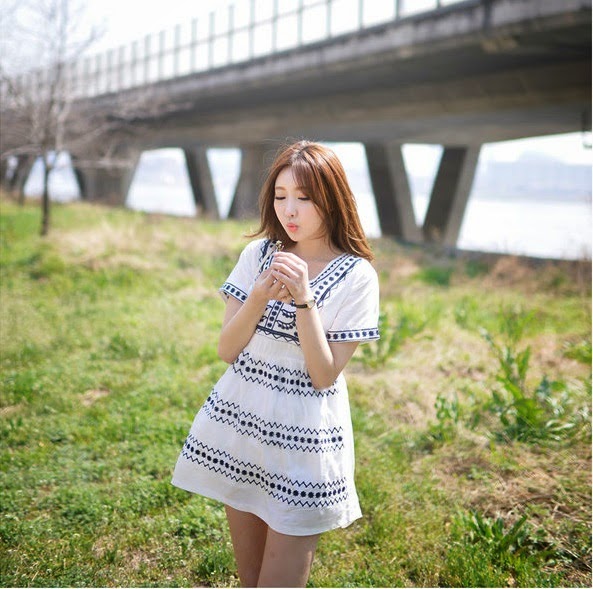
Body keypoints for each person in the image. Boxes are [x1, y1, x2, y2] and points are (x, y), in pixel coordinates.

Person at [172, 140, 380, 587]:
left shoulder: (357, 275)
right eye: (281, 196)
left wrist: (305, 299)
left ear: (332, 199)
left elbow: (323, 374)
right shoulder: (258, 255)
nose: (290, 210)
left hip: (303, 440)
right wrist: (259, 296)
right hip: (243, 424)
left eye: (304, 197)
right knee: (249, 579)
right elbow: (227, 349)